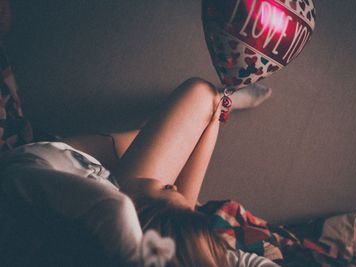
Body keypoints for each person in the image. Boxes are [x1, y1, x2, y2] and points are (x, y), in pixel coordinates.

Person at [0, 77, 272, 266]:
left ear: (137, 215)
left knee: (199, 92)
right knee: (185, 228)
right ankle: (220, 105)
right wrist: (215, 122)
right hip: (105, 176)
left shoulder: (31, 187)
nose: (174, 185)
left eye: (168, 188)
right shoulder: (134, 214)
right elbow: (237, 260)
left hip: (72, 157)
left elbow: (115, 208)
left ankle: (214, 103)